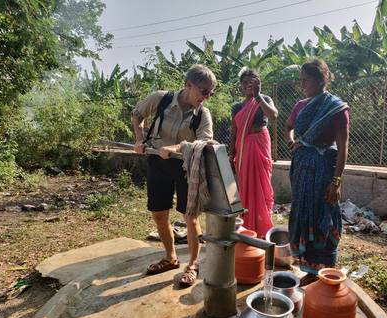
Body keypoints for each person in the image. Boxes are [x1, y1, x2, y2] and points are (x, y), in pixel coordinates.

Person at [131, 65, 217, 286]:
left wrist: (176, 147)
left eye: (211, 93)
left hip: (187, 168)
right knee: (159, 215)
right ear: (189, 85)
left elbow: (203, 143)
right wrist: (139, 139)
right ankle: (170, 258)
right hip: (157, 164)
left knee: (191, 217)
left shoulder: (203, 114)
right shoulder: (160, 99)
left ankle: (193, 264)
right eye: (204, 91)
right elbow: (137, 114)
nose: (207, 97)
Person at [284, 59, 349, 286]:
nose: (302, 86)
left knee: (323, 214)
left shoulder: (336, 109)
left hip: (323, 171)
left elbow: (342, 148)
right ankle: (310, 270)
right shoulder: (300, 105)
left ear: (321, 79)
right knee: (303, 213)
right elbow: (288, 126)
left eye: (306, 81)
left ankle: (324, 269)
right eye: (300, 81)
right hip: (301, 169)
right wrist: (292, 142)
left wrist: (336, 181)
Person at [229, 69, 278, 239]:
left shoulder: (265, 100)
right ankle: (247, 225)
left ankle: (263, 227)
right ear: (241, 86)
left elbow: (273, 116)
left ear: (258, 83)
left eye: (251, 81)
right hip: (243, 147)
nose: (248, 85)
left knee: (262, 182)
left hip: (260, 144)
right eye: (244, 82)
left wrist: (258, 96)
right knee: (245, 185)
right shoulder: (237, 108)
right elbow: (234, 134)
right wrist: (231, 156)